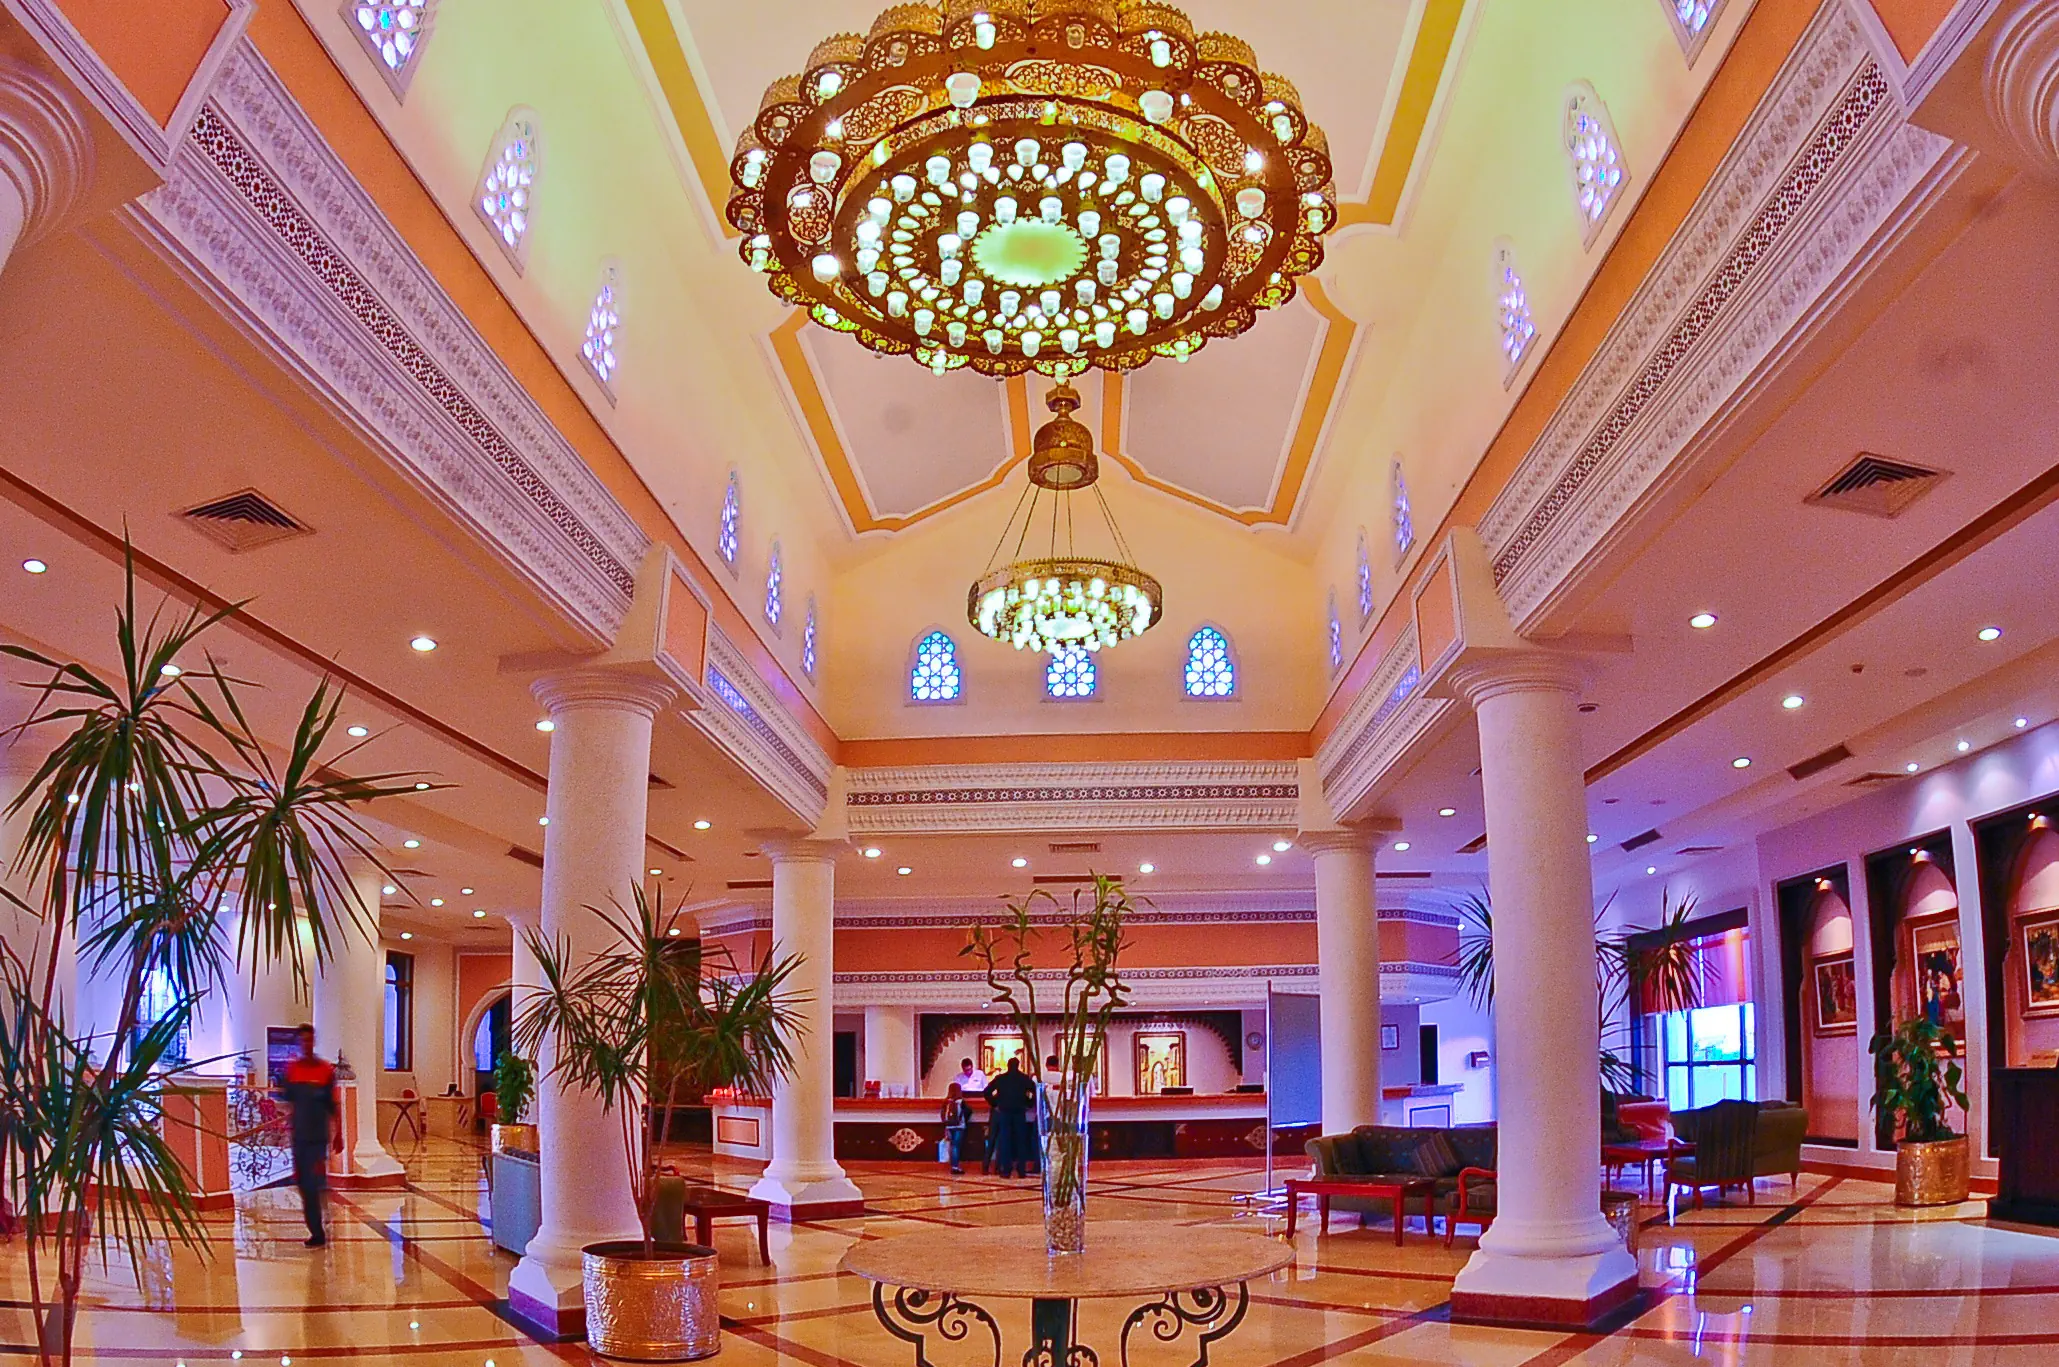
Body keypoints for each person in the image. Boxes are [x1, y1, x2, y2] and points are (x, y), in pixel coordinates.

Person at [276, 1022, 344, 1247]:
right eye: (303, 1040)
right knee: (304, 1184)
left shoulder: (325, 1070)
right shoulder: (292, 1070)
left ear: (313, 1041)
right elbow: (287, 1101)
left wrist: (339, 1133)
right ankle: (317, 1222)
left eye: (309, 1039)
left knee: (313, 1183)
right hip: (299, 1138)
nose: (306, 1043)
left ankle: (318, 1232)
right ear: (299, 1043)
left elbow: (333, 1105)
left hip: (318, 1138)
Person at [985, 1057, 1037, 1178]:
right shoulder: (1024, 1078)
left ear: (1008, 1066)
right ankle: (1021, 1170)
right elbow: (1036, 1091)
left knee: (1005, 1141)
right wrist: (1028, 1103)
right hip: (1019, 1112)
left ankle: (1006, 1170)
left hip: (1004, 1111)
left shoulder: (1001, 1078)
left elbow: (987, 1092)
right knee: (1021, 1141)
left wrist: (995, 1104)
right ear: (1018, 1065)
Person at [940, 1082, 971, 1175]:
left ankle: (952, 1165)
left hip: (949, 1126)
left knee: (952, 1145)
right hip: (959, 1126)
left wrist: (946, 1124)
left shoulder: (946, 1102)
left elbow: (942, 1114)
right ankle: (955, 1167)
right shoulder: (961, 1102)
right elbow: (968, 1112)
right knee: (956, 1146)